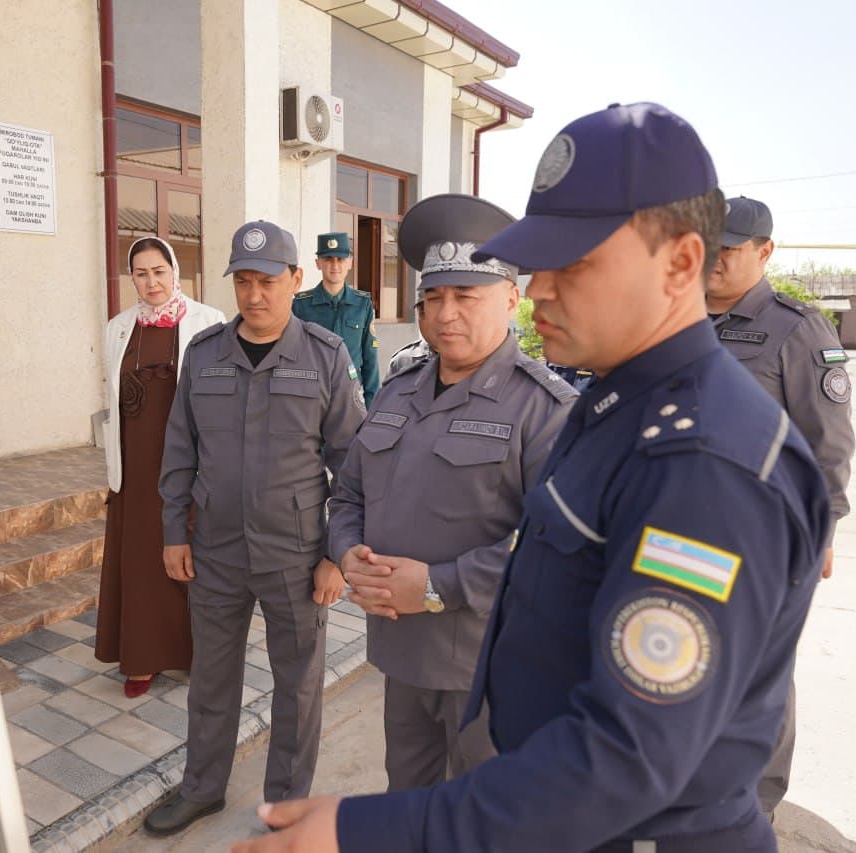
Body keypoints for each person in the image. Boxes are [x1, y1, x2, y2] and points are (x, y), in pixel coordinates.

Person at [233, 103, 830, 853]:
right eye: (537, 262)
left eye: (572, 263)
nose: (540, 288)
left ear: (681, 263)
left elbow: (625, 756)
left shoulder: (705, 464)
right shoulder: (618, 405)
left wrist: (368, 829)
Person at [331, 193, 576, 792]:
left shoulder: (545, 409)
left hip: (491, 668)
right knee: (408, 799)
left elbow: (561, 548)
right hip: (402, 653)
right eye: (433, 298)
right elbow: (348, 498)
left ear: (512, 300)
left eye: (466, 296)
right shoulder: (398, 390)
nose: (446, 314)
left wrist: (440, 586)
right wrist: (347, 555)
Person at [144, 220, 367, 836]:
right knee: (211, 678)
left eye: (266, 281)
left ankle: (286, 805)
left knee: (297, 686)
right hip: (214, 548)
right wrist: (173, 531)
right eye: (242, 282)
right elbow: (179, 449)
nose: (253, 295)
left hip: (295, 553)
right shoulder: (206, 352)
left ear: (295, 280)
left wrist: (336, 556)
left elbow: (352, 464)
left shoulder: (324, 355)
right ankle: (203, 788)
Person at [706, 195, 856, 817]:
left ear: (765, 252)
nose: (713, 258)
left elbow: (828, 443)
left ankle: (752, 808)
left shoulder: (797, 328)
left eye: (730, 248)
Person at [95, 237, 225, 697]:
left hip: (185, 462)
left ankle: (194, 655)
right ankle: (141, 658)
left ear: (175, 272)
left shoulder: (210, 323)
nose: (151, 281)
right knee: (140, 561)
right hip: (135, 464)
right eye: (141, 273)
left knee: (188, 554)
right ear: (131, 278)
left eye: (159, 271)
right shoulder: (117, 327)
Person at [292, 232, 381, 406]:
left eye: (340, 260)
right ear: (318, 263)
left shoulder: (362, 304)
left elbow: (370, 358)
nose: (335, 266)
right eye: (328, 259)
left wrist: (372, 407)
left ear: (350, 262)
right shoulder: (301, 306)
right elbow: (293, 355)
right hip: (312, 397)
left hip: (351, 396)